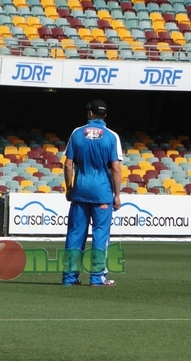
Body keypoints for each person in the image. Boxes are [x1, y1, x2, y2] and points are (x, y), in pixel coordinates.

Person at [62, 99, 122, 287]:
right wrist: (117, 194)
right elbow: (116, 168)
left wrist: (70, 187)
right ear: (105, 115)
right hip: (102, 192)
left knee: (75, 234)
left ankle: (70, 278)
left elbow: (68, 164)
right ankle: (97, 278)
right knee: (100, 235)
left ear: (89, 113)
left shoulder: (77, 133)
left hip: (80, 189)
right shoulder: (112, 136)